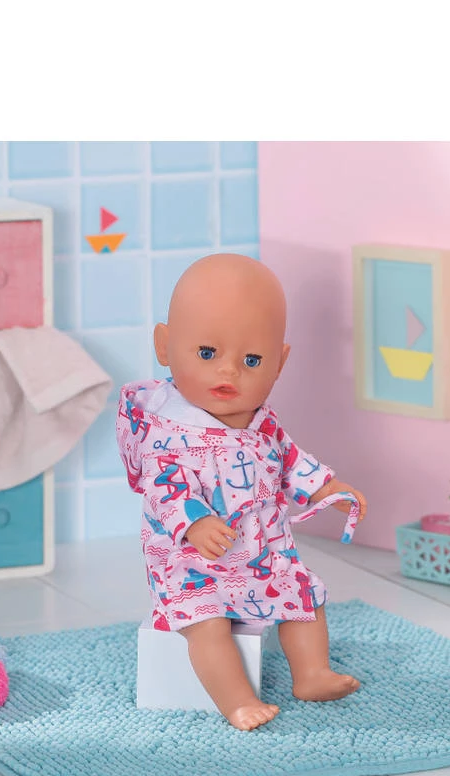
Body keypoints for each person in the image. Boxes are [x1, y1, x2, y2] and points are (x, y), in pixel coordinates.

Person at [116, 253, 367, 731]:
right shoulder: (167, 434)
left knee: (303, 598)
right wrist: (195, 523)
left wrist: (326, 487)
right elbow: (164, 488)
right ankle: (236, 701)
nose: (228, 372)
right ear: (165, 345)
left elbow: (289, 458)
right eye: (207, 353)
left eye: (252, 360)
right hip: (193, 562)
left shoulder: (262, 422)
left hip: (261, 551)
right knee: (206, 624)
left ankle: (312, 674)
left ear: (280, 363)